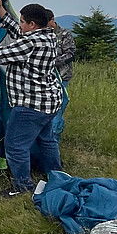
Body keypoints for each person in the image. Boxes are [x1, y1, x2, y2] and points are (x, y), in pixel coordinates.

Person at [0, 0, 62, 197]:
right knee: (47, 140)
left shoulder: (32, 43)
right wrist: (1, 9)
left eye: (22, 21)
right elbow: (19, 35)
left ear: (32, 24)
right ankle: (57, 176)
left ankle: (22, 188)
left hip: (31, 105)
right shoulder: (48, 37)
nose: (19, 24)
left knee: (15, 145)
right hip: (48, 102)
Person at [46, 9, 76, 143]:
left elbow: (71, 54)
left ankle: (55, 139)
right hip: (45, 78)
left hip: (62, 76)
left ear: (52, 20)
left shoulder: (64, 34)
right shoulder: (44, 34)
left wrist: (53, 62)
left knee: (58, 109)